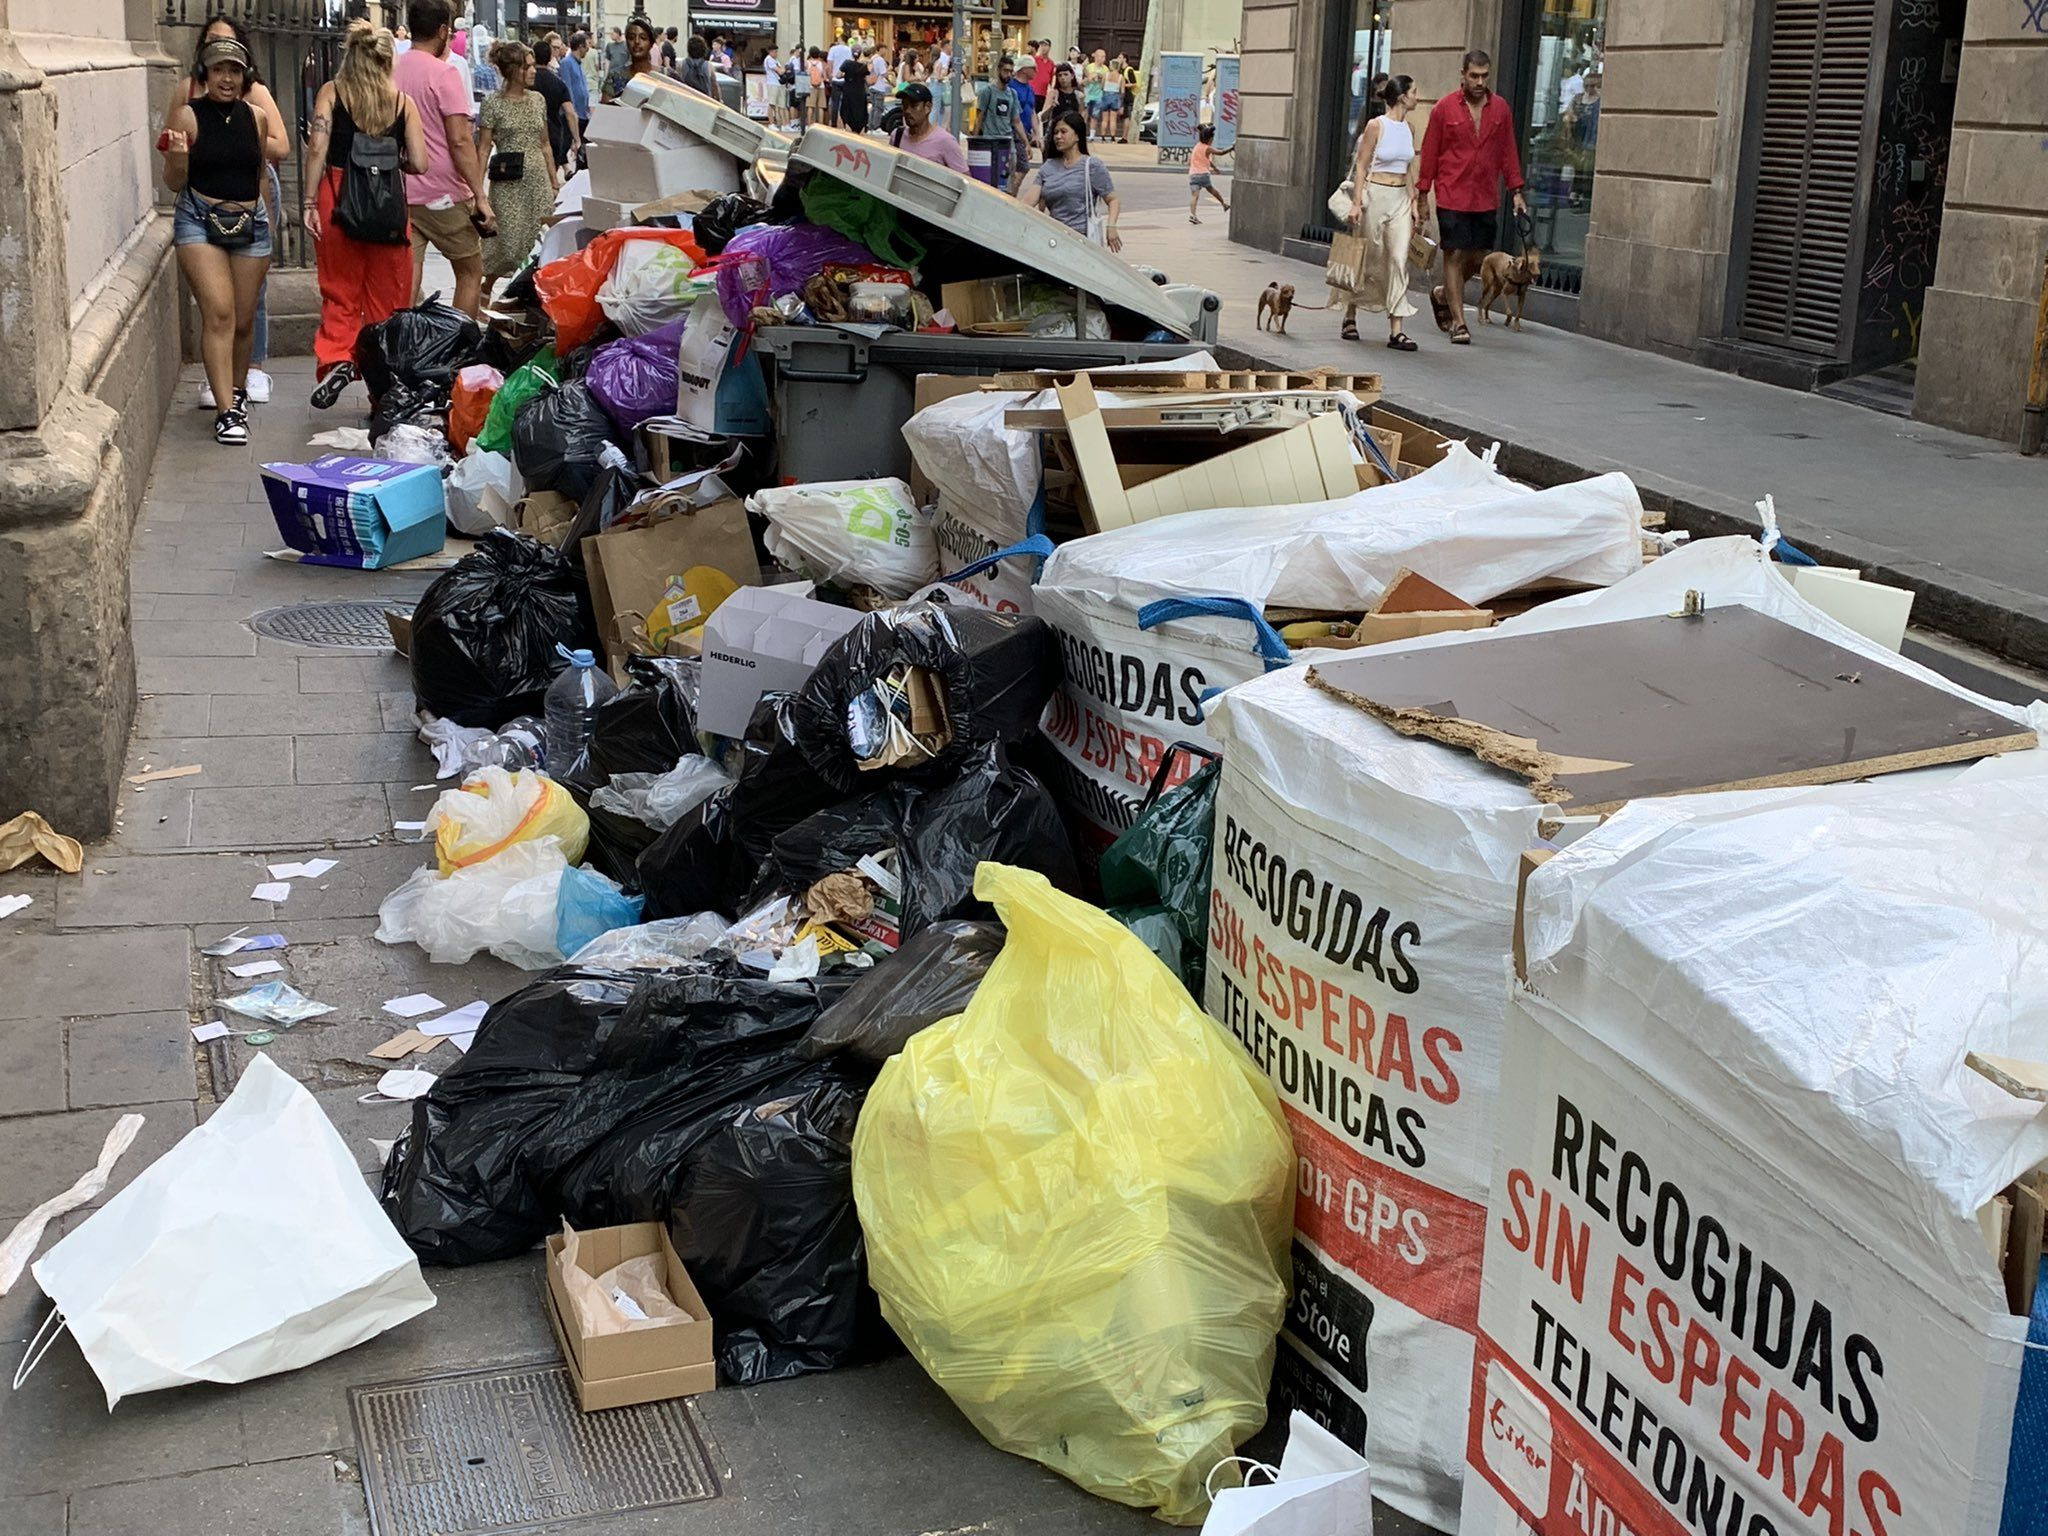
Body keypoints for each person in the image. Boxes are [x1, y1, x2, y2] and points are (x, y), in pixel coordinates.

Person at [159, 34, 288, 445]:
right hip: (198, 218)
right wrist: (179, 159)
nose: (227, 79)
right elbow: (174, 182)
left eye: (234, 70)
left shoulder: (257, 117)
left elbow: (259, 177)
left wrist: (268, 219)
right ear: (206, 74)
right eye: (219, 70)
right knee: (219, 312)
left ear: (244, 76)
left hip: (249, 219)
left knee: (244, 319)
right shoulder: (187, 116)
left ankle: (235, 391)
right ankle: (225, 410)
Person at [303, 22, 426, 410]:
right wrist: (391, 160)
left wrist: (308, 202)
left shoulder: (332, 93)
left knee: (339, 290)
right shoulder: (403, 103)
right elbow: (421, 163)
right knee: (388, 302)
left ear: (350, 56)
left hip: (338, 198)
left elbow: (317, 149)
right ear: (387, 60)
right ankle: (382, 391)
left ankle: (338, 359)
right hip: (387, 206)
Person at [1416, 48, 1526, 345]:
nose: (1479, 81)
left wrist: (1516, 190)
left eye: (1484, 76)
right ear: (1462, 75)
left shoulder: (1500, 109)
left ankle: (1442, 294)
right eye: (1474, 75)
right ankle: (1459, 323)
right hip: (1452, 192)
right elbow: (1430, 152)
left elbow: (1509, 151)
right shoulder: (1444, 109)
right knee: (1454, 254)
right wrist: (1423, 193)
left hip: (1485, 195)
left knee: (1478, 258)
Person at [394, 0, 494, 319]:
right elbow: (460, 140)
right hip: (443, 192)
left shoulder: (391, 70)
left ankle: (402, 349)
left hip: (400, 189)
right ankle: (455, 351)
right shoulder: (444, 74)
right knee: (469, 271)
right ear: (441, 31)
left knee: (408, 277)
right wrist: (479, 195)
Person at [1339, 75, 1420, 351]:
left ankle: (1396, 330)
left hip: (1400, 199)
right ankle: (1350, 313)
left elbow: (1408, 169)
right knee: (1368, 256)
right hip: (1375, 196)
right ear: (1402, 97)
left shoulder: (1409, 128)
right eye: (1414, 91)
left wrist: (1414, 202)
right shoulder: (1376, 125)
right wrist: (1356, 201)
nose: (1417, 96)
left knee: (1398, 259)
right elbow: (1361, 165)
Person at [478, 40, 556, 284]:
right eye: (528, 67)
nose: (534, 71)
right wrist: (477, 192)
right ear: (513, 70)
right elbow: (483, 148)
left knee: (540, 244)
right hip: (508, 184)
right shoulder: (493, 103)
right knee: (507, 246)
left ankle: (530, 301)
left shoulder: (538, 100)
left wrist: (554, 181)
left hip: (537, 182)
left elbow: (545, 143)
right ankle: (486, 290)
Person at [1021, 110, 1119, 249]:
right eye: (1055, 133)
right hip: (1055, 239)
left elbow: (1113, 199)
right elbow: (1027, 203)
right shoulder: (1048, 167)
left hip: (1082, 241)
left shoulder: (1091, 166)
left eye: (1063, 131)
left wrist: (1111, 226)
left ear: (1077, 135)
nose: (1058, 136)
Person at [975, 57, 1028, 191]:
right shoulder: (988, 91)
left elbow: (1016, 121)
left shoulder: (1012, 94)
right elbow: (979, 117)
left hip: (1007, 142)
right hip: (990, 141)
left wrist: (1026, 143)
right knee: (990, 180)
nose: (1008, 74)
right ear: (998, 70)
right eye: (1005, 71)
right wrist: (975, 141)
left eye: (1011, 71)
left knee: (1008, 179)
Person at [888, 81, 966, 171]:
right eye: (905, 106)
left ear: (927, 107)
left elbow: (966, 180)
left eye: (914, 105)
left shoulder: (945, 141)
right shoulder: (897, 136)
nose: (908, 111)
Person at [532, 33, 581, 173]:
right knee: (550, 176)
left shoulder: (526, 81)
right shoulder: (558, 83)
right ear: (549, 57)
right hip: (553, 134)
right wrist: (576, 139)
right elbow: (570, 113)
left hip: (531, 136)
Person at [607, 16, 660, 101]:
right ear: (627, 42)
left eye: (643, 38)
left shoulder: (666, 76)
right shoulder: (615, 77)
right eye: (631, 38)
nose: (637, 42)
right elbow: (606, 111)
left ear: (651, 43)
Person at [1187, 121, 1229, 224]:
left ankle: (1192, 215)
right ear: (1209, 139)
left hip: (1193, 175)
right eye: (1212, 139)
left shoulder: (1197, 146)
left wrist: (1214, 167)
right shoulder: (1207, 148)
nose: (1212, 141)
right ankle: (1223, 204)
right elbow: (1221, 152)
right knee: (1212, 190)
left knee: (1194, 196)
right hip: (1203, 175)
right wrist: (1232, 148)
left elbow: (1203, 160)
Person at [1041, 62, 1082, 152]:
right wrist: (1050, 107)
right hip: (1056, 135)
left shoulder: (1078, 95)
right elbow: (1043, 117)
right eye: (1060, 75)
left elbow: (1081, 119)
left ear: (1072, 76)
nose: (1063, 78)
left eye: (1065, 74)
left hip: (1071, 137)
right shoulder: (1054, 93)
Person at [564, 31, 593, 150]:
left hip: (583, 112)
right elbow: (568, 88)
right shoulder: (567, 63)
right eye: (587, 46)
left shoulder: (578, 63)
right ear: (581, 46)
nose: (588, 49)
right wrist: (572, 110)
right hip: (576, 113)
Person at [838, 46, 871, 133]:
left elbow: (838, 75)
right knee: (859, 109)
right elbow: (868, 81)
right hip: (860, 91)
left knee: (847, 108)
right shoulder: (863, 66)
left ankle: (847, 126)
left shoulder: (847, 63)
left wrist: (845, 75)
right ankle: (859, 128)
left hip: (848, 90)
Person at [678, 34, 719, 99]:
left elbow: (678, 84)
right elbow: (714, 85)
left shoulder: (681, 64)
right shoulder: (709, 66)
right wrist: (719, 99)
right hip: (705, 100)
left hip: (687, 99)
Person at [1095, 47, 1122, 141]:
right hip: (1115, 96)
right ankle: (1113, 137)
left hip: (1106, 96)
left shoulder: (1106, 75)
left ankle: (1102, 136)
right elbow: (1122, 90)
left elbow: (1102, 86)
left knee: (1104, 118)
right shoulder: (1120, 77)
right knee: (1113, 119)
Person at [826, 33, 854, 124]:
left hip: (835, 78)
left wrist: (830, 75)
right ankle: (845, 122)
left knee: (835, 102)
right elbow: (851, 63)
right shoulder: (849, 50)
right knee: (845, 102)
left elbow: (830, 63)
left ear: (840, 39)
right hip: (846, 79)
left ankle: (834, 122)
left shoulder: (833, 49)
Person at [575, 30, 605, 106]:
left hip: (582, 83)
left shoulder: (580, 52)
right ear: (589, 40)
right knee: (592, 107)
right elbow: (597, 66)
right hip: (593, 82)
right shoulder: (594, 52)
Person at [1117, 53, 1139, 141]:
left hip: (1127, 96)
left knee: (1126, 116)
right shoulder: (1120, 70)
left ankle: (1125, 137)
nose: (1118, 59)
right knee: (1123, 116)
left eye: (1120, 57)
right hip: (1121, 95)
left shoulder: (1129, 70)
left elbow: (1134, 83)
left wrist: (1123, 85)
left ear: (1125, 59)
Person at [1028, 39, 1054, 107]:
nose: (1043, 47)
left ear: (1049, 47)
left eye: (1045, 45)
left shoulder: (1051, 63)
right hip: (1032, 92)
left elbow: (1051, 79)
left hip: (1043, 93)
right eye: (1041, 45)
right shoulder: (1034, 59)